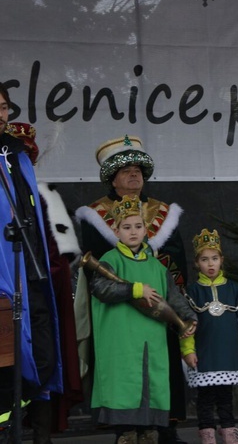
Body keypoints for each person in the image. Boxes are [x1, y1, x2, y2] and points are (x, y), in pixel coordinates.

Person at [75, 135, 190, 443]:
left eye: (138, 169)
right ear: (113, 180)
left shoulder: (163, 212)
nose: (134, 174)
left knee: (159, 369)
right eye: (126, 170)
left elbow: (177, 260)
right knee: (122, 371)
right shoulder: (95, 215)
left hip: (157, 306)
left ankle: (164, 426)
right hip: (119, 314)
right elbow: (94, 268)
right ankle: (124, 430)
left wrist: (167, 293)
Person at [88, 194, 196, 444]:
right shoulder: (109, 261)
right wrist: (134, 289)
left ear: (146, 230)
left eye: (138, 226)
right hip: (121, 342)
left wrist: (188, 317)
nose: (133, 232)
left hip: (151, 339)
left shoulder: (157, 267)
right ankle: (125, 434)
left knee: (150, 384)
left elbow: (173, 297)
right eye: (126, 227)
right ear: (116, 230)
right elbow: (101, 290)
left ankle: (147, 432)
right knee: (125, 386)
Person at [5, 122, 83, 443]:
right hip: (9, 288)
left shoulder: (47, 197)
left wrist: (48, 275)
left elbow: (58, 250)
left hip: (40, 290)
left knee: (44, 359)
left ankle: (40, 433)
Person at [0, 87, 63, 438]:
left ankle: (30, 424)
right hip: (4, 276)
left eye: (4, 107)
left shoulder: (16, 153)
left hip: (30, 268)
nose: (0, 114)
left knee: (39, 351)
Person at [180, 229, 238, 444]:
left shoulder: (236, 289)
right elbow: (186, 327)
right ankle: (207, 432)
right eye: (205, 259)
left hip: (227, 352)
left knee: (226, 396)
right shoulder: (191, 292)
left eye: (214, 259)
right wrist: (188, 351)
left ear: (221, 261)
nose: (210, 264)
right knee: (205, 398)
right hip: (204, 353)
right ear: (197, 263)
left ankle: (229, 431)